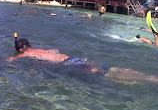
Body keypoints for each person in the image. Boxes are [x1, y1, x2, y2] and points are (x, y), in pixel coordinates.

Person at [8, 36, 158, 84]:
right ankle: (150, 77)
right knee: (108, 68)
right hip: (71, 58)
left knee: (104, 75)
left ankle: (144, 80)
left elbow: (9, 60)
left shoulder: (27, 54)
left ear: (21, 49)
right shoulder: (39, 49)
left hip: (67, 64)